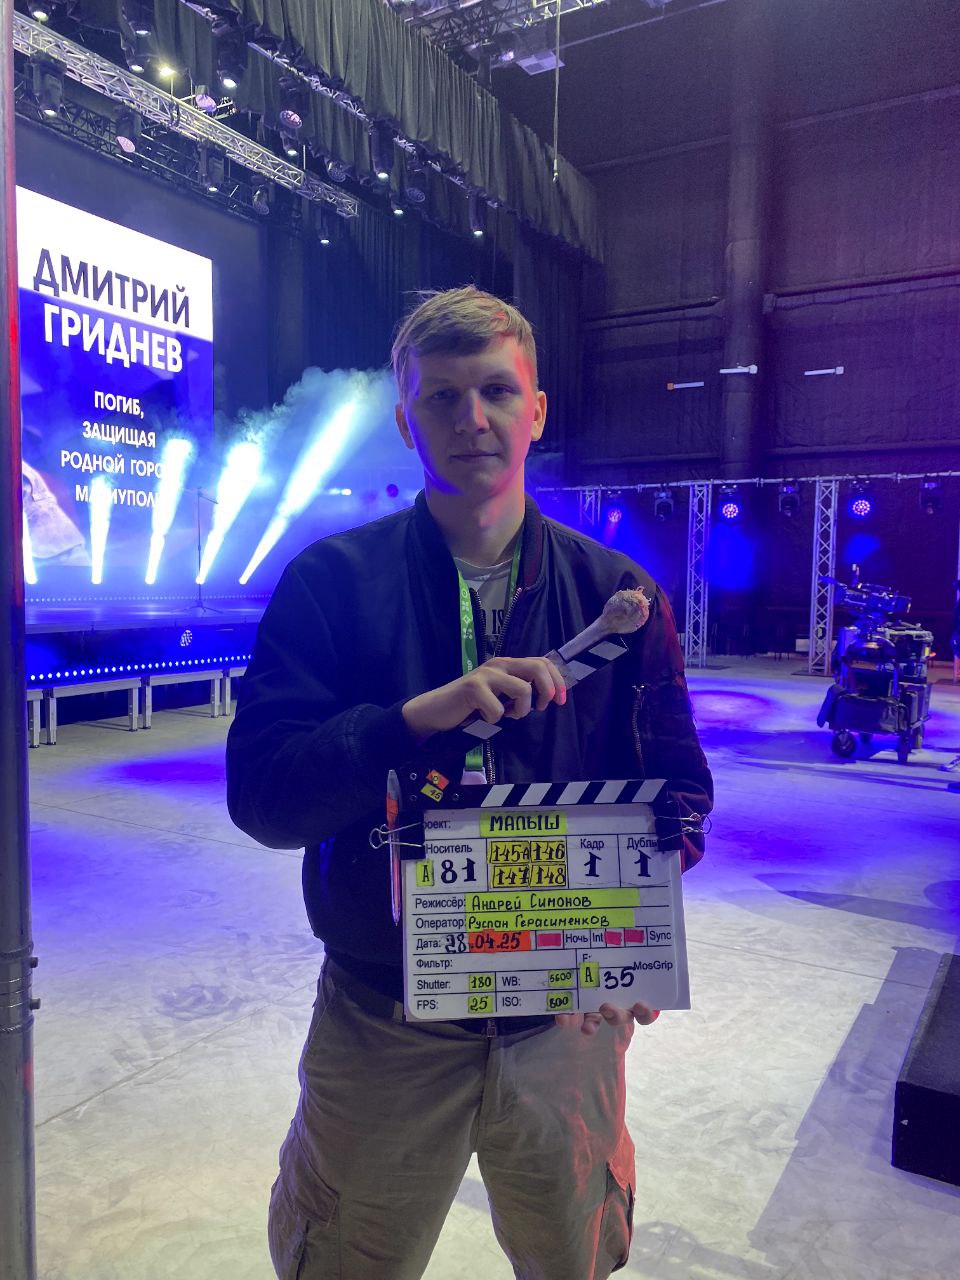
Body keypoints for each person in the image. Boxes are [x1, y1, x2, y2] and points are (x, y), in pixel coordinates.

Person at [226, 286, 713, 1280]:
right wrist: (405, 726)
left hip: (564, 1026)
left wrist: (627, 932)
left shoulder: (619, 598)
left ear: (537, 411)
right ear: (407, 421)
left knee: (574, 1256)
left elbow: (679, 796)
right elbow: (266, 797)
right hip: (385, 1022)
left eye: (496, 391)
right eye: (441, 397)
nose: (472, 417)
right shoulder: (330, 586)